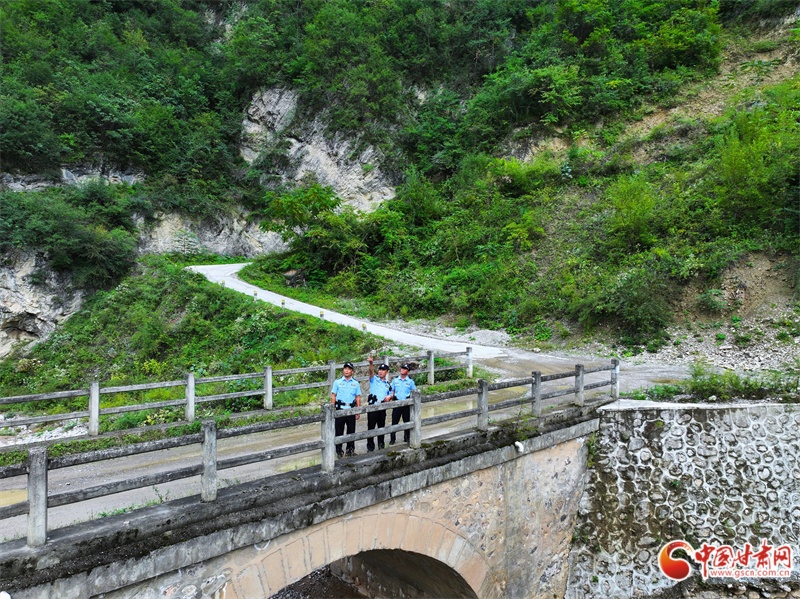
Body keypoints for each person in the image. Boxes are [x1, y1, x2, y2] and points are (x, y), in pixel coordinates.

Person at [330, 362, 361, 457]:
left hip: (351, 410)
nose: (346, 370)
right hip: (340, 410)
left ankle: (350, 450)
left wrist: (358, 410)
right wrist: (332, 408)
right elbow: (333, 396)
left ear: (352, 371)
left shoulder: (355, 383)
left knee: (351, 431)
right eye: (345, 369)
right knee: (339, 431)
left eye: (349, 369)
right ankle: (339, 451)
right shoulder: (337, 382)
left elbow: (357, 397)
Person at [366, 355, 392, 451]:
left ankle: (381, 446)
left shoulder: (388, 385)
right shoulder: (374, 379)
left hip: (382, 407)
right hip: (373, 406)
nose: (380, 371)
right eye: (380, 369)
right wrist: (371, 363)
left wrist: (390, 396)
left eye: (383, 370)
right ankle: (370, 447)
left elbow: (391, 394)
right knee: (371, 428)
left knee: (381, 427)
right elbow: (371, 372)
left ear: (386, 372)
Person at [390, 362, 416, 445]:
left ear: (408, 371)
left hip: (406, 404)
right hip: (397, 403)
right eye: (402, 368)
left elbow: (414, 392)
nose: (402, 370)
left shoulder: (410, 381)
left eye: (404, 369)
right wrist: (391, 397)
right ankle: (392, 439)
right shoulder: (395, 380)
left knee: (407, 421)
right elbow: (392, 390)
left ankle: (407, 438)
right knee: (394, 421)